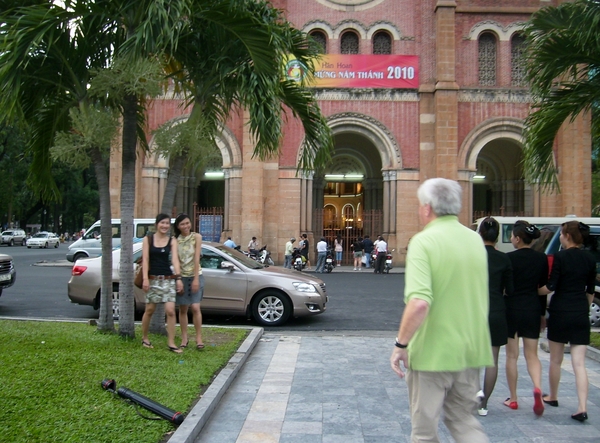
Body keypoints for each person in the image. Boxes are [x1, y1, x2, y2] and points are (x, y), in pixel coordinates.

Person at [390, 178, 492, 443]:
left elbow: (420, 302)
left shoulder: (424, 242)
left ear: (427, 208)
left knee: (424, 432)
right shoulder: (475, 240)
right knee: (464, 422)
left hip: (432, 351)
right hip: (470, 349)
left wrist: (401, 344)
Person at [538, 221, 596, 422]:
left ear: (567, 236)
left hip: (560, 311)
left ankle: (553, 396)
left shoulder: (560, 257)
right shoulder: (590, 259)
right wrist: (584, 307)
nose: (561, 237)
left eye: (562, 234)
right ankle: (582, 407)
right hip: (580, 312)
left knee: (556, 359)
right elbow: (590, 290)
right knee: (579, 363)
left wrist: (536, 291)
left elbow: (551, 286)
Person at [504, 220, 548, 416]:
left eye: (512, 236)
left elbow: (505, 287)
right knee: (532, 355)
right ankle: (537, 387)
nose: (511, 239)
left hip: (512, 308)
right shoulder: (541, 259)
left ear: (518, 238)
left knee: (512, 356)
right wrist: (541, 314)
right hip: (532, 307)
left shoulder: (509, 259)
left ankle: (513, 399)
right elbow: (543, 289)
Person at [477, 217, 514, 416]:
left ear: (480, 233)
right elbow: (511, 289)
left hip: (473, 310)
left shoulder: (471, 256)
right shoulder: (504, 259)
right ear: (497, 236)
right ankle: (484, 404)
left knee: (468, 357)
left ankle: (470, 394)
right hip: (497, 311)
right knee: (492, 359)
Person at [141, 213, 184, 354]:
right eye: (162, 223)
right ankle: (145, 338)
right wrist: (145, 279)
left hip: (168, 279)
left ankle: (171, 343)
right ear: (156, 224)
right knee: (149, 310)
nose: (165, 226)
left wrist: (178, 278)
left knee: (171, 311)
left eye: (167, 223)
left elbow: (175, 260)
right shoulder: (148, 240)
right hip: (153, 279)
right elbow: (146, 260)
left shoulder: (172, 240)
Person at [174, 213, 205, 350]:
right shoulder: (175, 240)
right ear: (178, 226)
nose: (185, 226)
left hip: (195, 275)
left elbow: (197, 258)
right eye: (182, 224)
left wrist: (196, 279)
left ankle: (199, 338)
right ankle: (184, 338)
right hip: (182, 277)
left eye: (187, 223)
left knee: (196, 307)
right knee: (183, 309)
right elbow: (175, 261)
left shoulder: (196, 237)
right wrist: (178, 279)